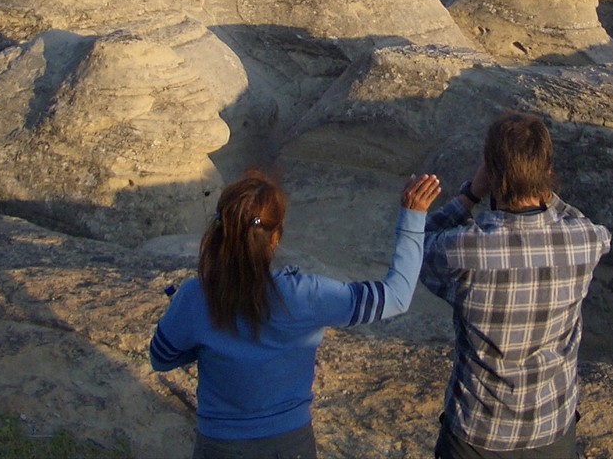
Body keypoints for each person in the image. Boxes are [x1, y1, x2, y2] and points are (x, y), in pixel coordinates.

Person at [152, 169, 443, 458]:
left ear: (220, 232)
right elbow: (397, 296)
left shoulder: (195, 297)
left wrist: (204, 345)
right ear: (275, 237)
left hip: (220, 446)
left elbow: (161, 358)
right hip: (291, 445)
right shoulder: (306, 295)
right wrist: (413, 216)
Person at [420, 113, 612, 459]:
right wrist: (543, 190)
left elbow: (415, 246)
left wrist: (469, 195)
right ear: (547, 173)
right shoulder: (585, 242)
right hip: (551, 427)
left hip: (477, 432)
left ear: (492, 175)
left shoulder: (465, 249)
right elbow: (585, 224)